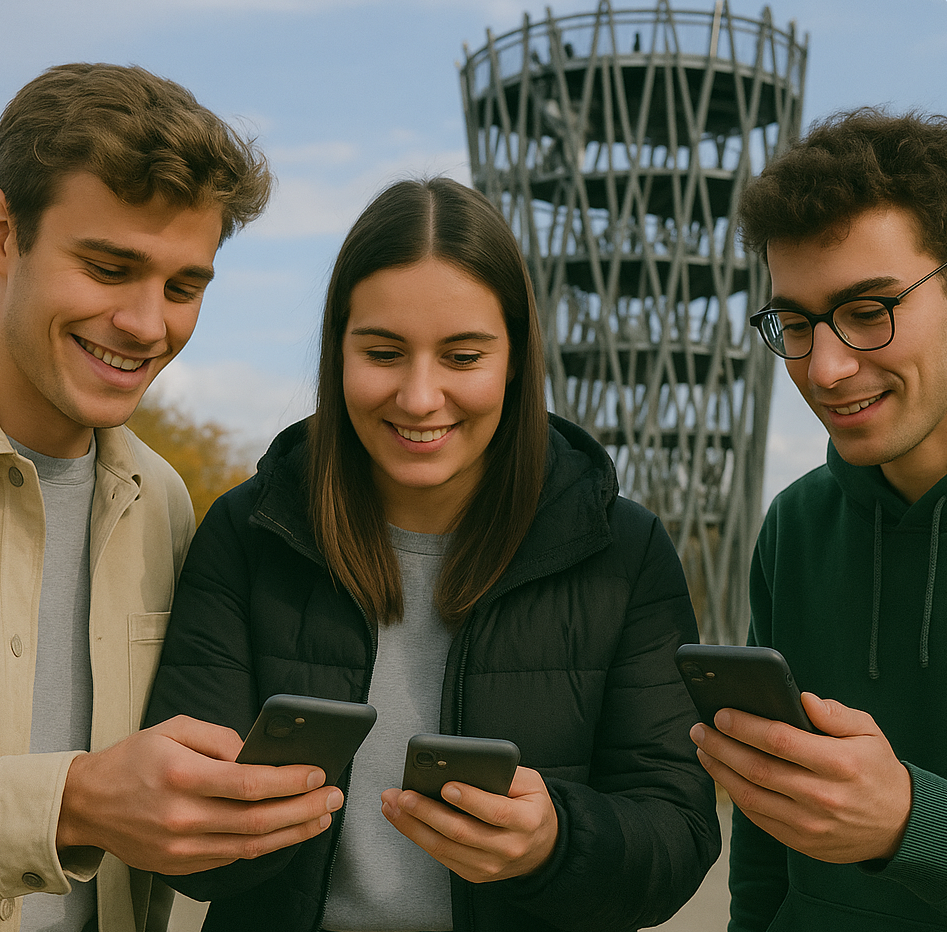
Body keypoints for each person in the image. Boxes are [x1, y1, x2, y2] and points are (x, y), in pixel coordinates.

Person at [143, 176, 721, 931]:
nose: (419, 397)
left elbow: (677, 835)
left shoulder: (622, 550)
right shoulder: (248, 533)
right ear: (337, 351)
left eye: (462, 355)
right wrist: (210, 821)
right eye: (383, 352)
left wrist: (556, 841)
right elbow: (189, 851)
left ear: (514, 360)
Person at [0, 62, 344, 932]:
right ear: (5, 237)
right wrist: (70, 804)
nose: (149, 324)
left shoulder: (166, 505)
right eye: (110, 267)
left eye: (184, 287)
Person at [689, 107, 947, 931]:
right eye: (793, 323)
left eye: (870, 308)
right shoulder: (796, 524)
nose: (826, 367)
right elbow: (767, 848)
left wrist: (918, 825)